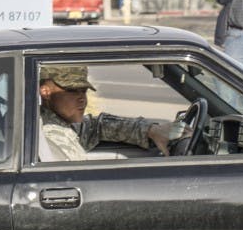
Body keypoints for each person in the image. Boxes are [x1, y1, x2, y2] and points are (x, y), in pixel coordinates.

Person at [39, 66, 171, 161]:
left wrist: (151, 130)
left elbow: (98, 126)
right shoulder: (50, 133)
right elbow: (79, 180)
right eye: (72, 91)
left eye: (84, 91)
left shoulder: (62, 123)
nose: (82, 98)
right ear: (45, 92)